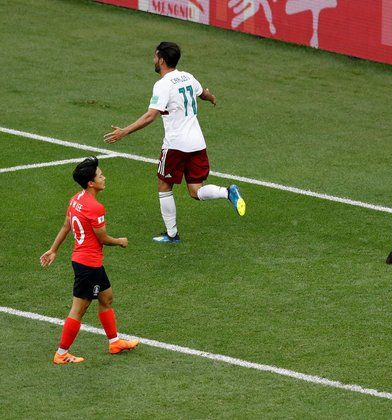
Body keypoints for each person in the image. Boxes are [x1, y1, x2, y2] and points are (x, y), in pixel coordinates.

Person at [103, 41, 245, 244]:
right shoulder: (187, 76)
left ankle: (172, 235)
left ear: (161, 60)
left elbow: (150, 116)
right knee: (195, 191)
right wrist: (212, 97)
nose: (153, 60)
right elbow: (202, 93)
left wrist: (124, 131)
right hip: (197, 143)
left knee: (164, 185)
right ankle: (227, 192)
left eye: (155, 56)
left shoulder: (163, 85)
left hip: (176, 145)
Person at [40, 157, 140, 364]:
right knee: (79, 309)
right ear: (91, 183)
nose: (104, 178)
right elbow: (102, 238)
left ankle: (114, 342)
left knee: (106, 297)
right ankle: (61, 353)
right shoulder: (95, 207)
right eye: (100, 176)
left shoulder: (75, 199)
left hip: (86, 262)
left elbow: (66, 225)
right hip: (88, 264)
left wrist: (53, 249)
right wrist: (120, 241)